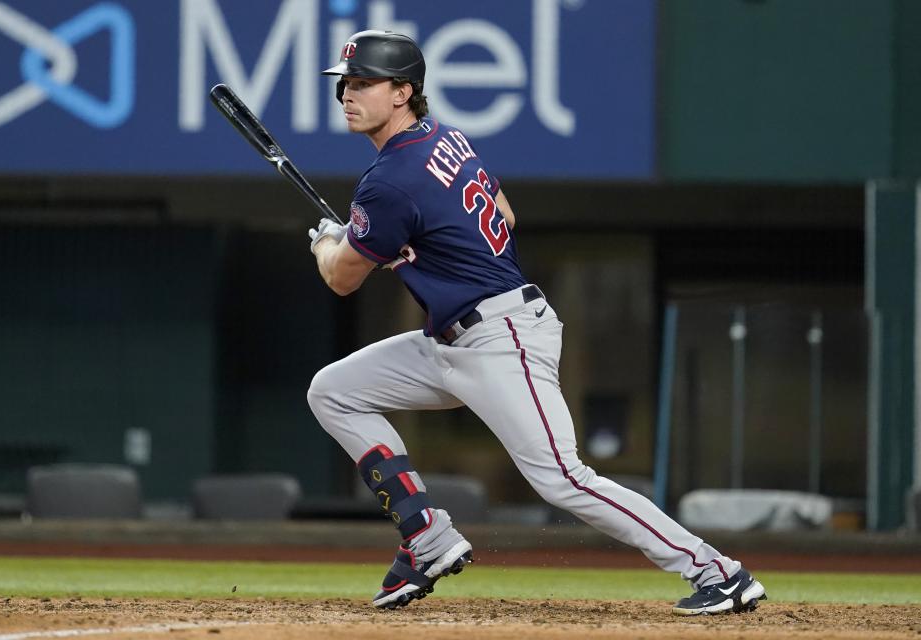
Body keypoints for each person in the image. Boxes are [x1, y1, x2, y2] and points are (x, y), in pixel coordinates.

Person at [306, 29, 767, 615]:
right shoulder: (443, 137)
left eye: (365, 83)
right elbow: (504, 211)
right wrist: (408, 244)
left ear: (403, 91)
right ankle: (425, 532)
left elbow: (341, 278)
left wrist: (330, 241)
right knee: (335, 391)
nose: (348, 93)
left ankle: (717, 570)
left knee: (562, 479)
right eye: (345, 82)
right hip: (451, 338)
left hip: (501, 337)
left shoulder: (392, 179)